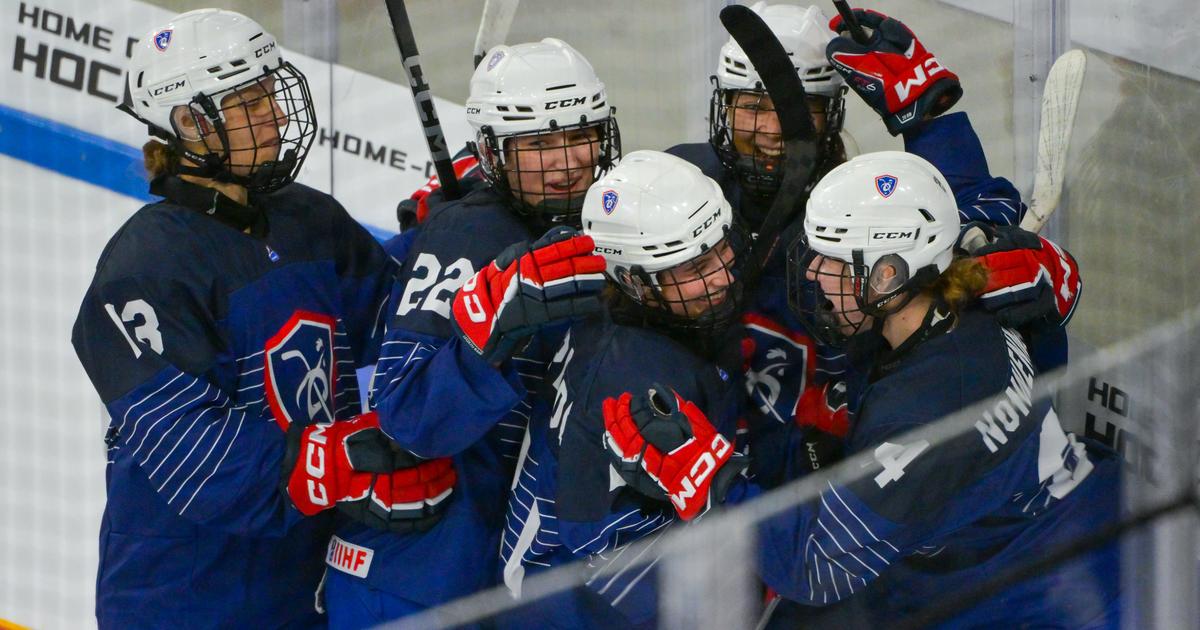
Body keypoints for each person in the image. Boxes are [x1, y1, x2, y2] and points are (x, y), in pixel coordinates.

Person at [603, 151, 1120, 627]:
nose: (813, 271)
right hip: (1061, 535)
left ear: (888, 275)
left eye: (831, 258)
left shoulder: (923, 411)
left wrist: (712, 480)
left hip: (1056, 601)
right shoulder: (965, 302)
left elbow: (818, 570)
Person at [71, 9, 448, 628]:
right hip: (184, 598)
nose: (274, 114)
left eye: (270, 93)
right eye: (249, 102)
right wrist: (332, 459)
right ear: (189, 123)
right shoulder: (144, 268)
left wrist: (442, 243)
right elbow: (189, 450)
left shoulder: (308, 219)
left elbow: (391, 314)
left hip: (301, 579)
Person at [320, 38, 616, 628]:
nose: (565, 161)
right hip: (414, 577)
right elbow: (406, 418)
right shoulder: (469, 237)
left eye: (579, 135)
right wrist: (486, 337)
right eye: (537, 143)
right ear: (492, 151)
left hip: (498, 570)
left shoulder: (598, 218)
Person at [498, 150, 750, 628]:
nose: (722, 274)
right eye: (696, 268)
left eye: (721, 247)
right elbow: (595, 544)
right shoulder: (629, 377)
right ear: (634, 281)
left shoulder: (640, 317)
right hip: (564, 609)